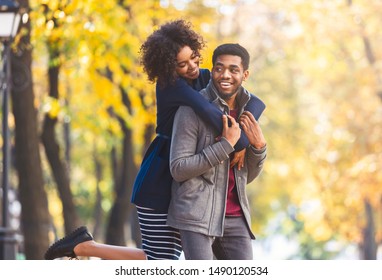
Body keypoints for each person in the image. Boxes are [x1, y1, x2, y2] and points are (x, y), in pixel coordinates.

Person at [44, 21, 265, 260]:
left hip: (189, 182)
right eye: (182, 64)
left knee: (160, 259)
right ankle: (85, 248)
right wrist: (239, 143)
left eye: (194, 58)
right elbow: (211, 113)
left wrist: (244, 133)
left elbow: (255, 101)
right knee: (160, 262)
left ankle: (85, 246)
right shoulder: (172, 85)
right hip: (161, 178)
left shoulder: (203, 77)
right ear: (169, 67)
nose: (192, 67)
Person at [166, 43, 267, 260]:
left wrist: (258, 149)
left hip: (236, 217)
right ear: (211, 71)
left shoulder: (248, 115)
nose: (225, 75)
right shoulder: (190, 110)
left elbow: (245, 176)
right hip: (196, 216)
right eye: (219, 68)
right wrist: (225, 146)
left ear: (245, 74)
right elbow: (178, 169)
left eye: (233, 69)